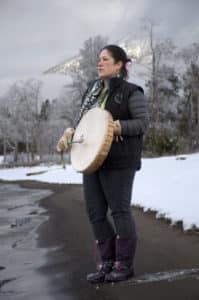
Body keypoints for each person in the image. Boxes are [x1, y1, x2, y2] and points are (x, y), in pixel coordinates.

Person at [57, 45, 149, 283]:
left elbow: (142, 124)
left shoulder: (131, 92)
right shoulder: (93, 91)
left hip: (119, 161)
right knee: (95, 213)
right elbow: (85, 125)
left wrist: (117, 126)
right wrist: (70, 133)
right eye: (99, 59)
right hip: (92, 160)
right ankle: (107, 263)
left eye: (105, 59)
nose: (100, 63)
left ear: (119, 64)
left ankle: (124, 263)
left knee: (119, 211)